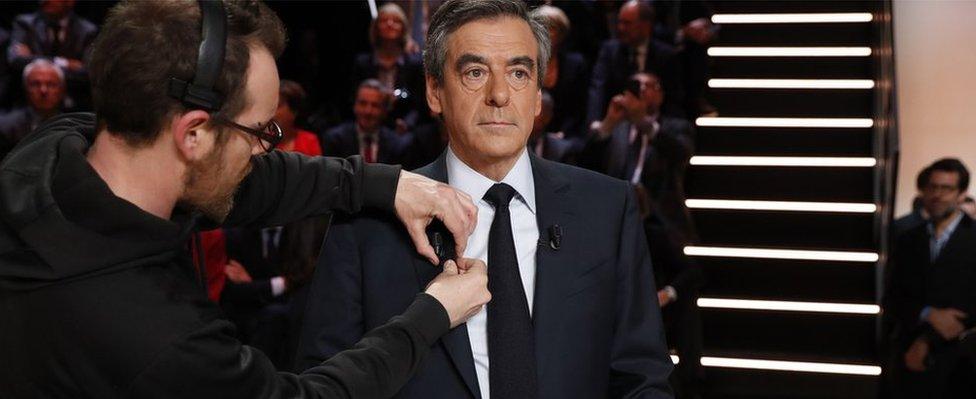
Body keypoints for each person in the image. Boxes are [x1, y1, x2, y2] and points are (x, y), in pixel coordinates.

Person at [0, 1, 491, 398]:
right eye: (259, 132)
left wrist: (386, 184)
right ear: (192, 133)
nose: (265, 149)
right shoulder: (160, 338)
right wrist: (432, 314)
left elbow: (247, 182)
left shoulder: (59, 146)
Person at [298, 1, 674, 398]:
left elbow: (642, 377)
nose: (499, 94)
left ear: (536, 93)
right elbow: (326, 380)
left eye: (518, 73)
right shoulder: (366, 224)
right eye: (475, 72)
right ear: (434, 91)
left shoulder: (608, 208)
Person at [885, 158, 976, 398]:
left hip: (960, 357)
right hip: (908, 353)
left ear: (961, 194)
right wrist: (927, 313)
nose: (937, 194)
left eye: (946, 188)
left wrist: (930, 338)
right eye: (932, 187)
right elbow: (893, 294)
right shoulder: (908, 239)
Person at [587, 0, 684, 126]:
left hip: (655, 124)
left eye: (627, 23)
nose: (621, 28)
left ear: (646, 26)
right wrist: (595, 123)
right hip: (617, 122)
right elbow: (598, 89)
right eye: (619, 22)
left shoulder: (666, 56)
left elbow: (674, 99)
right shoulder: (609, 51)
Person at [351, 3, 428, 134]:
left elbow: (421, 103)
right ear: (375, 28)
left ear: (404, 28)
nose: (390, 24)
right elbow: (353, 98)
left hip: (404, 126)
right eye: (384, 21)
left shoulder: (415, 64)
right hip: (367, 123)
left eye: (396, 21)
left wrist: (407, 123)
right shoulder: (362, 63)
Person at [7, 0, 98, 108]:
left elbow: (87, 73)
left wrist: (33, 59)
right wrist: (63, 62)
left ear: (70, 2)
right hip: (27, 106)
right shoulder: (25, 24)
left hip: (74, 104)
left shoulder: (88, 31)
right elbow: (16, 60)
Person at [320, 79, 413, 164]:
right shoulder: (335, 140)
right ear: (354, 106)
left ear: (384, 111)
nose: (368, 111)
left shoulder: (397, 144)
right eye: (362, 103)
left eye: (375, 105)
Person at [531, 5, 590, 138]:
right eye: (540, 26)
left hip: (563, 136)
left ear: (562, 34)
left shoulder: (575, 65)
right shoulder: (523, 63)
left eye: (551, 27)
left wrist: (563, 133)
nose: (545, 32)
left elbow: (578, 109)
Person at [0, 58, 67, 159]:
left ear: (62, 90)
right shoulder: (4, 127)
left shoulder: (72, 126)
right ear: (25, 88)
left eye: (51, 84)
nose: (43, 91)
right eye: (35, 84)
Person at [528, 90, 583, 164]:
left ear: (550, 116)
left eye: (544, 112)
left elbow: (579, 145)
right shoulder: (514, 144)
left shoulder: (555, 146)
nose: (539, 116)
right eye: (535, 110)